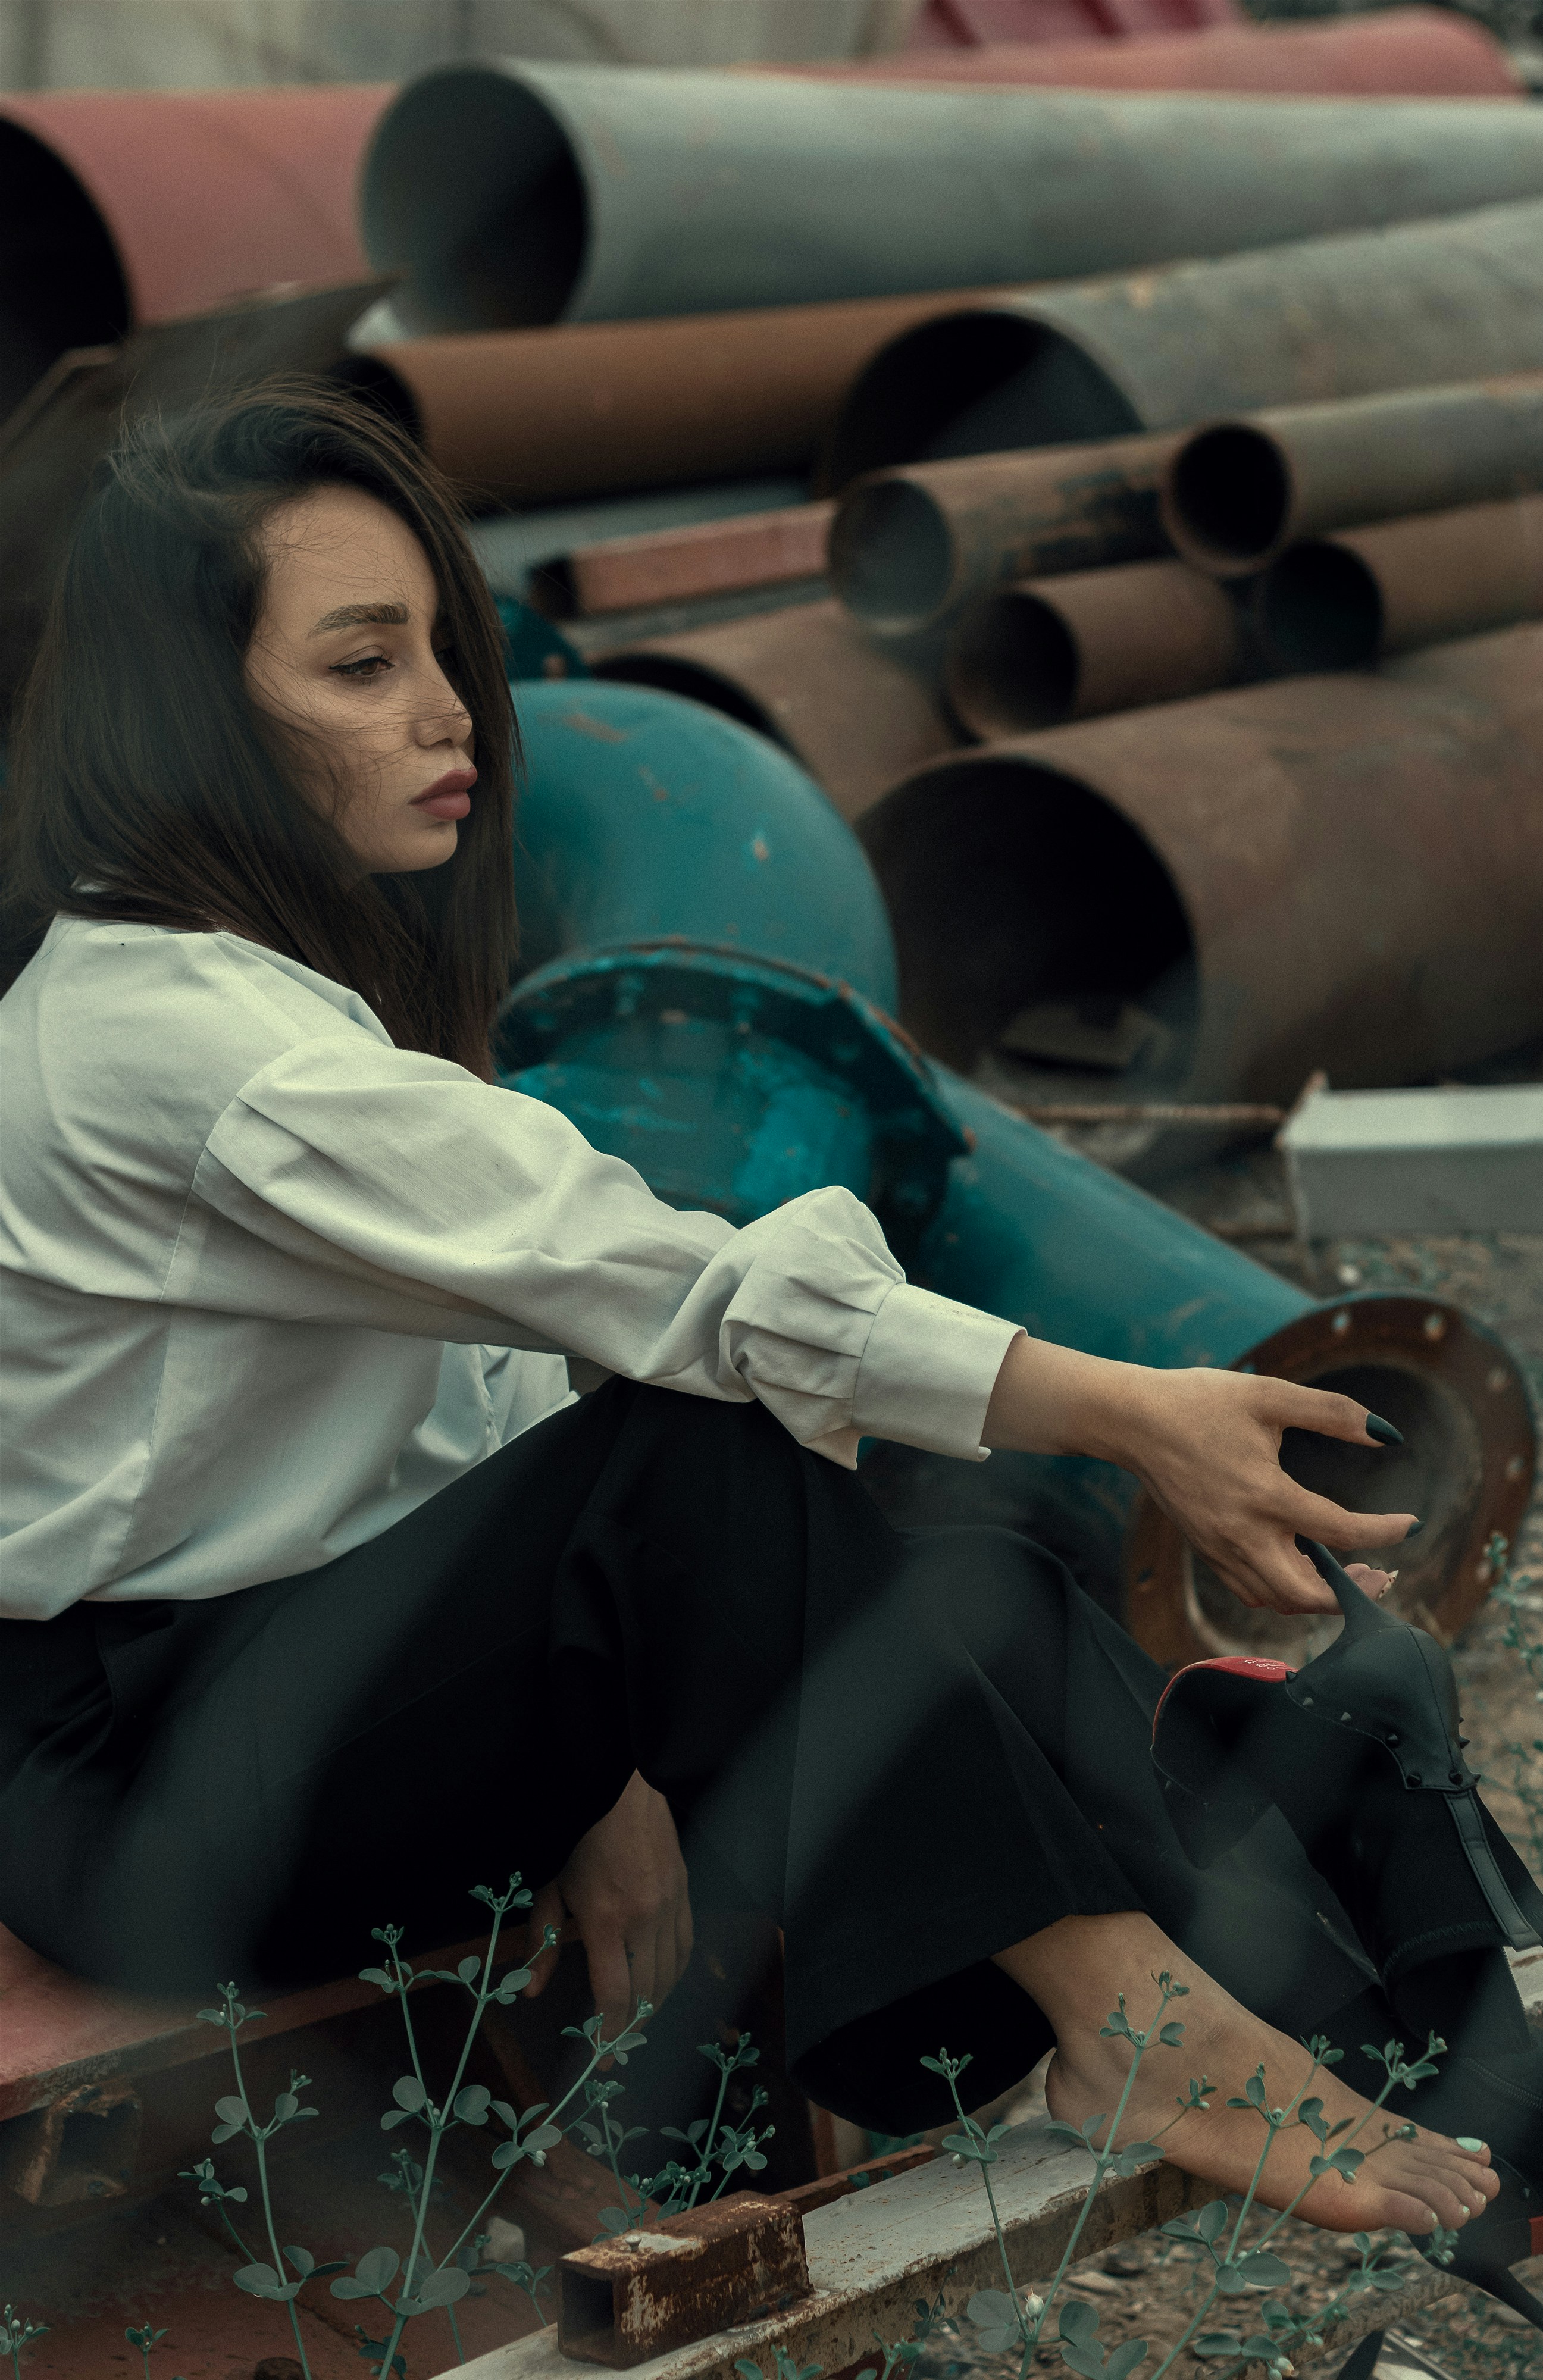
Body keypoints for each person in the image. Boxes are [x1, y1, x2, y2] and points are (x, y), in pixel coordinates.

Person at [0, 388, 1529, 2290]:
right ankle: (1153, 2025)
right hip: (140, 1775)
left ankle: (1365, 2036)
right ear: (192, 717)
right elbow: (668, 1292)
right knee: (714, 1449)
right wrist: (1127, 1406)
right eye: (358, 662)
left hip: (311, 1678)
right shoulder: (168, 1038)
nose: (445, 707)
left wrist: (602, 1756)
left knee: (966, 1548)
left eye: (441, 649)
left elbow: (503, 1386)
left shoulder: (282, 1000)